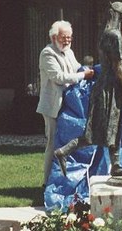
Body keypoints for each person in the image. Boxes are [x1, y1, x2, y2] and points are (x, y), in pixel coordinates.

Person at [54, 2, 122, 177]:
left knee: (113, 128)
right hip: (108, 89)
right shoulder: (114, 36)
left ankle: (115, 165)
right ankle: (64, 151)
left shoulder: (109, 34)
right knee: (98, 132)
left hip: (110, 88)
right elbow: (119, 69)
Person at [37, 20, 94, 184]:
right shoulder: (47, 53)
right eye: (64, 38)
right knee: (53, 144)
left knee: (67, 145)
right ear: (54, 37)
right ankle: (47, 182)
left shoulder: (68, 51)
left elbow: (77, 68)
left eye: (70, 38)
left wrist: (90, 70)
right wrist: (84, 75)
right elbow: (59, 78)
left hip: (69, 104)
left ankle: (65, 180)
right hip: (54, 106)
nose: (67, 41)